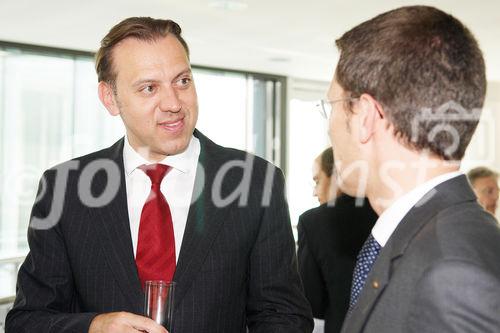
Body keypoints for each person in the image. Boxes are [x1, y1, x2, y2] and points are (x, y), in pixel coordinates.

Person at [6, 17, 313, 333]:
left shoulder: (255, 181)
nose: (173, 103)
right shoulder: (65, 189)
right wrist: (94, 327)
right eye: (149, 87)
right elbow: (27, 321)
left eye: (182, 81)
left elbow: (283, 316)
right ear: (110, 98)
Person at [323, 5, 500, 332]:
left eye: (329, 106)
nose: (329, 127)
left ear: (366, 117)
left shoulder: (453, 275)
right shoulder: (430, 236)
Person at [298, 148, 377, 333]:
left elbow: (311, 301)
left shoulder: (313, 222)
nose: (314, 192)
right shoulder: (385, 212)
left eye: (317, 181)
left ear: (337, 177)